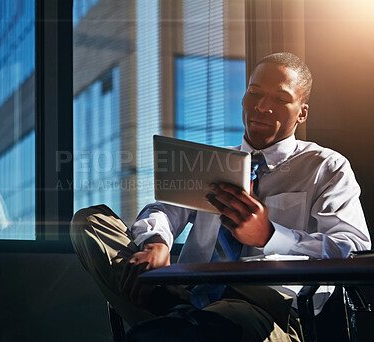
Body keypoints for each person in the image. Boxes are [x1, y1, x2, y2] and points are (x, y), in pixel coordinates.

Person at [70, 52, 371, 341]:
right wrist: (156, 242)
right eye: (254, 93)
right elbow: (161, 210)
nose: (262, 106)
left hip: (269, 313)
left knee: (234, 310)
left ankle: (182, 325)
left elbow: (354, 250)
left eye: (280, 99)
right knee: (90, 222)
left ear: (302, 113)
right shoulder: (211, 161)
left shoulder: (326, 167)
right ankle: (183, 319)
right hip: (187, 294)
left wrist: (270, 235)